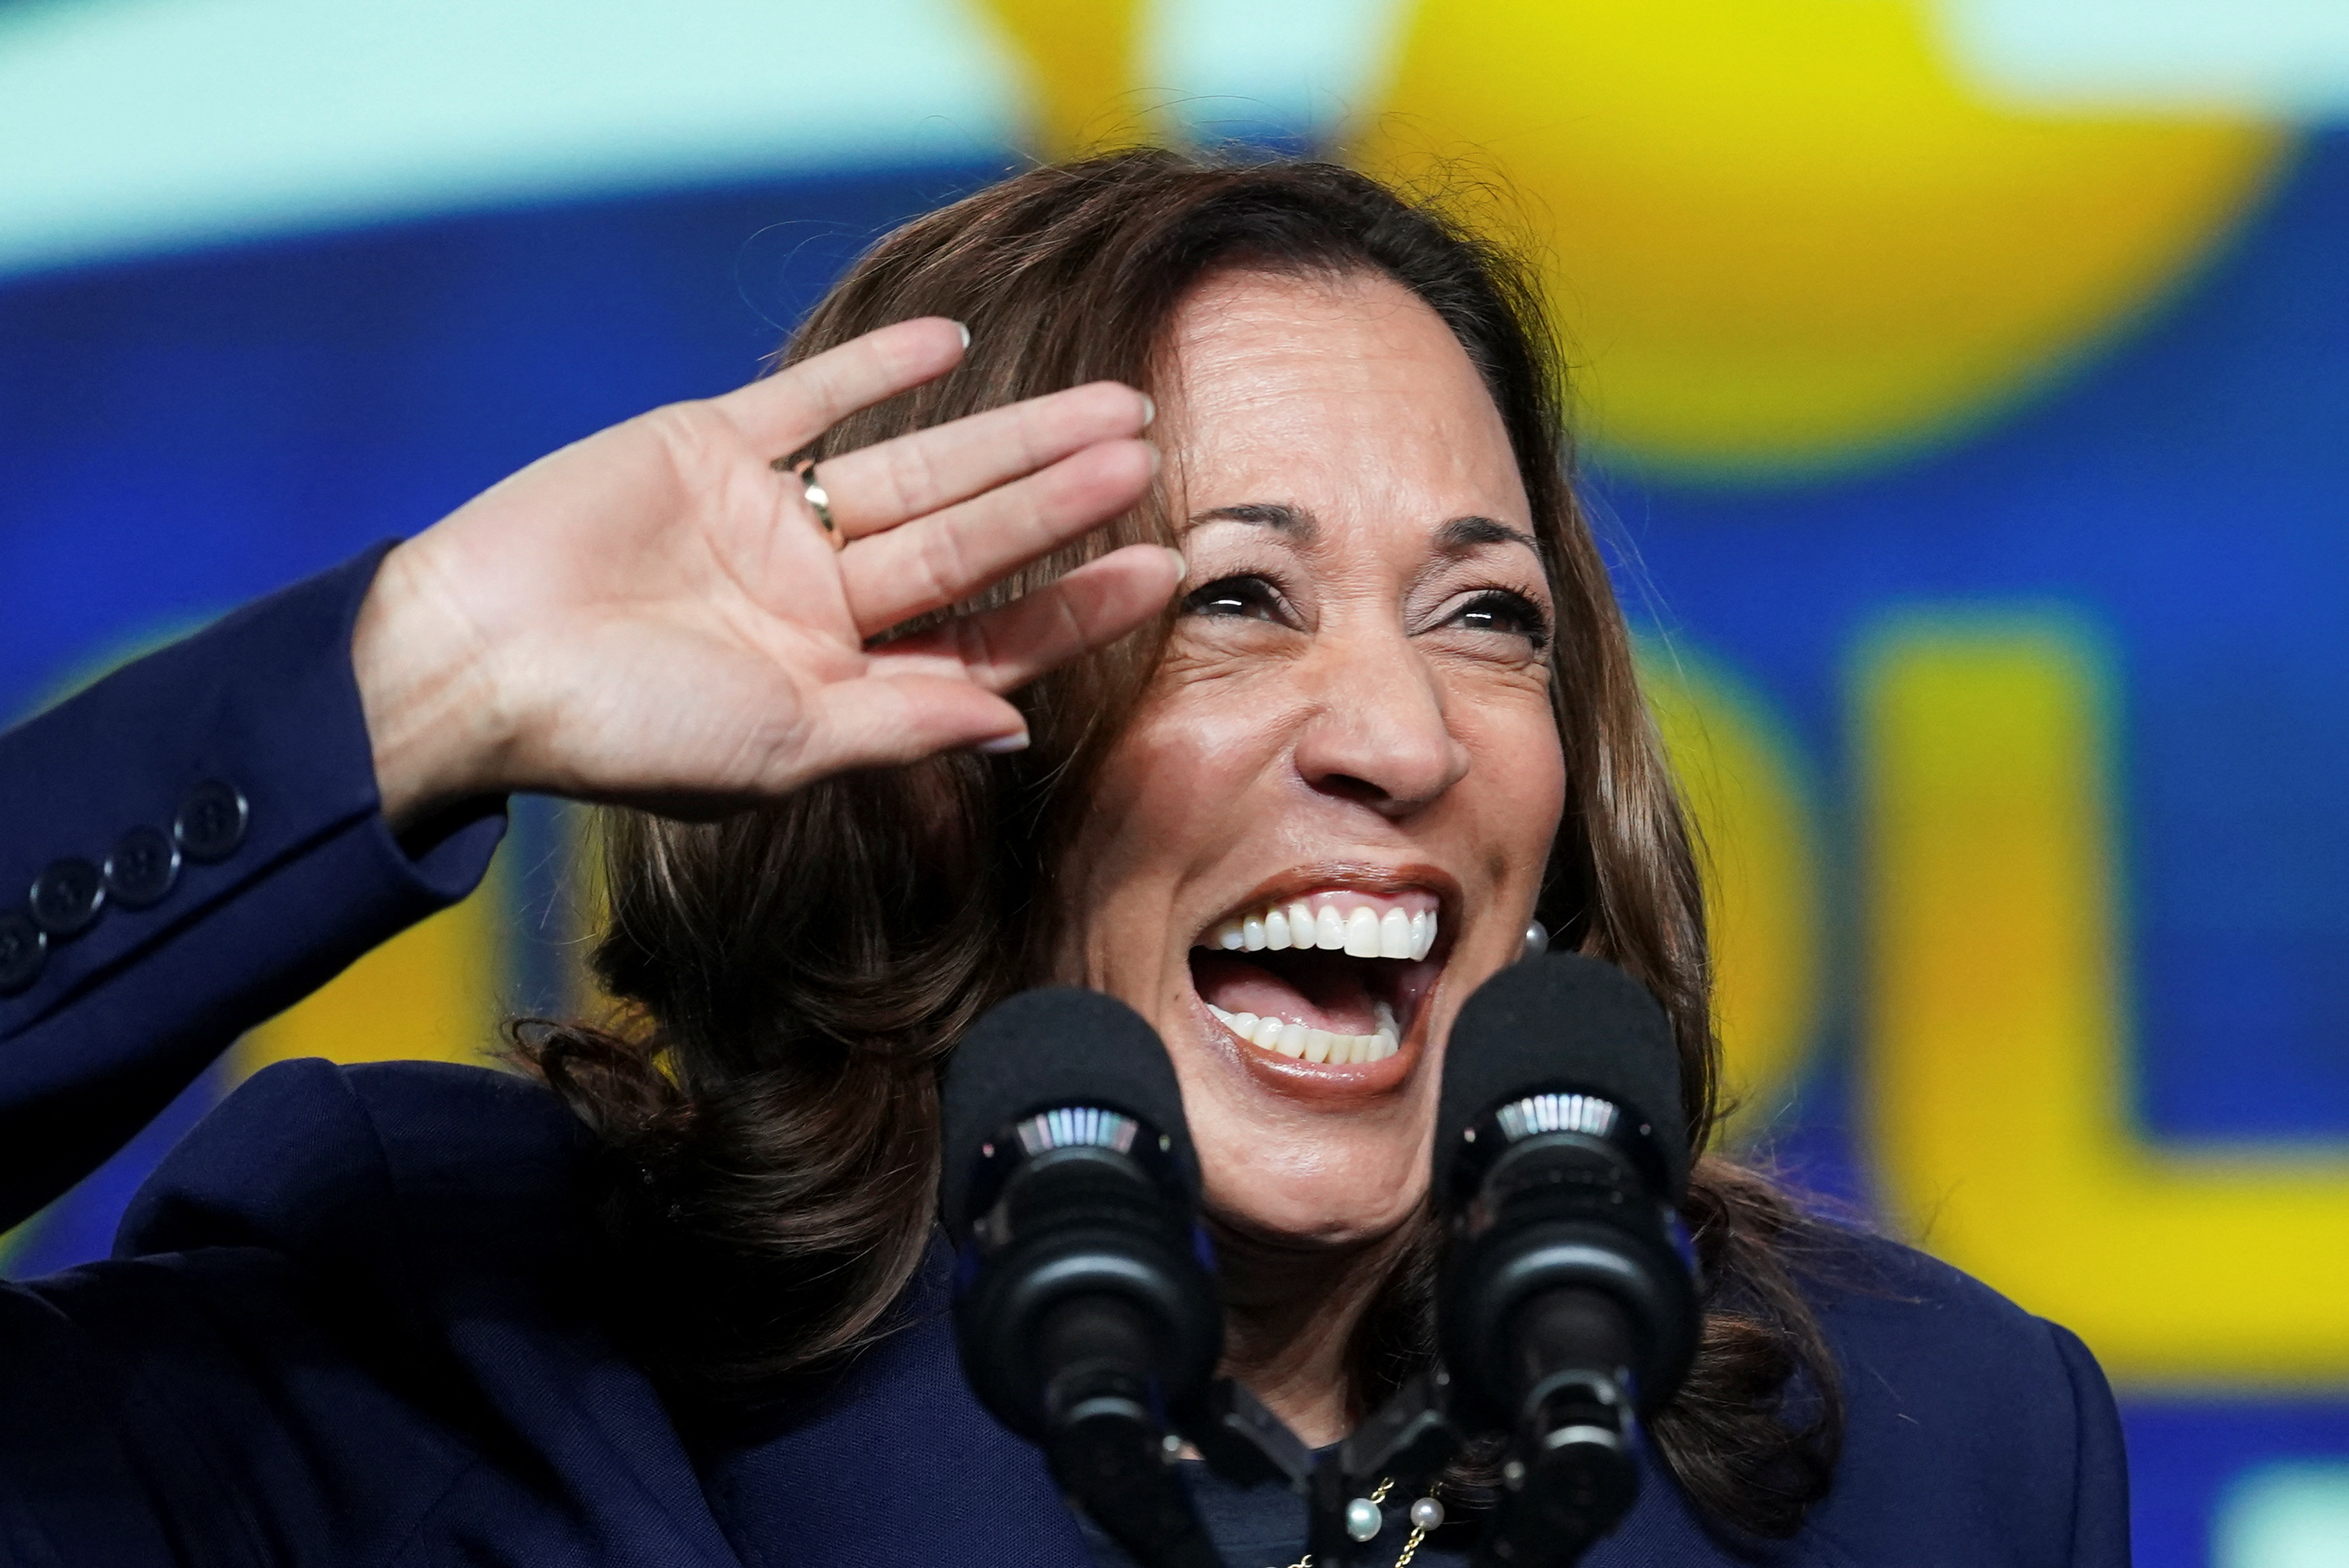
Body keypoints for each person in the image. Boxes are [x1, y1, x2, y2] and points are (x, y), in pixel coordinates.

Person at [0, 150, 2126, 1567]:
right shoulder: (440, 1365)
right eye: (1229, 597)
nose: (1399, 738)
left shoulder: (1941, 1460)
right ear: (925, 751)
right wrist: (416, 683)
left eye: (1490, 618)